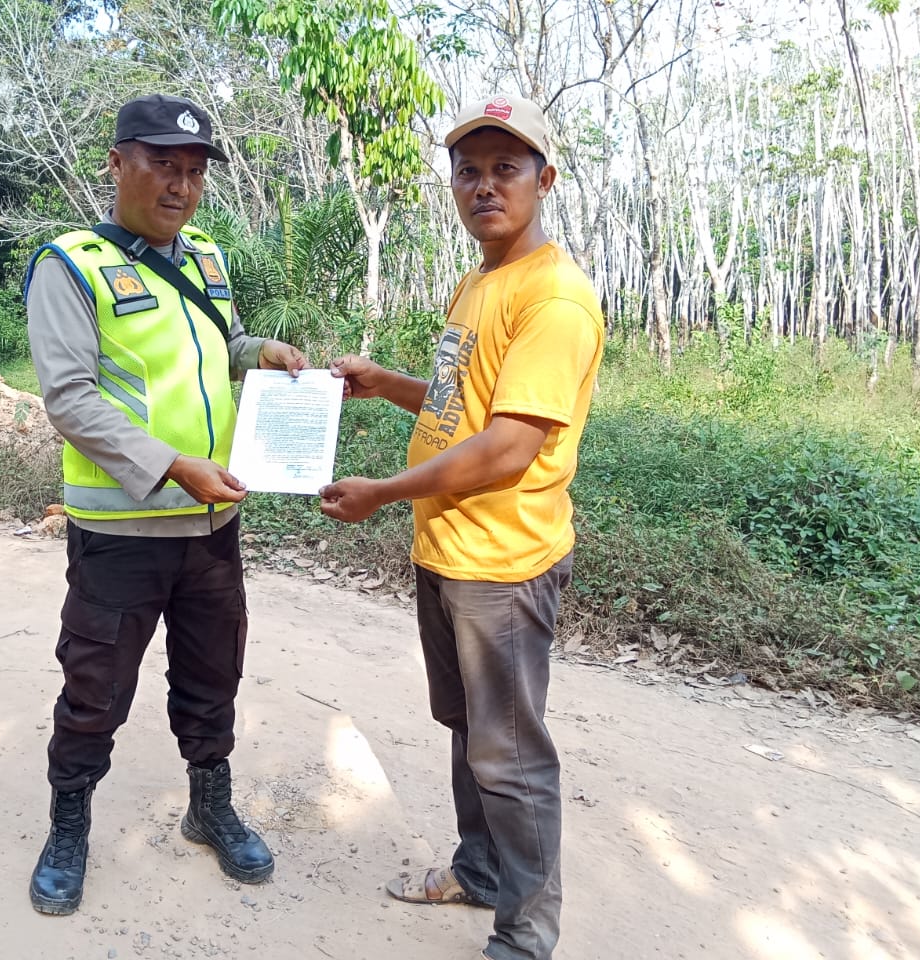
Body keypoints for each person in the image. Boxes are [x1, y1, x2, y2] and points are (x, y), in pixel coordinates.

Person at [319, 96, 604, 960]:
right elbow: (462, 406)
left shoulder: (554, 297)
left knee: (510, 758)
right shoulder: (481, 280)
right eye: (468, 171)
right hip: (447, 552)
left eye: (505, 169)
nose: (484, 186)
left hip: (501, 565)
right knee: (469, 729)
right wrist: (387, 384)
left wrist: (383, 492)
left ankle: (525, 938)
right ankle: (479, 873)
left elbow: (509, 446)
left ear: (544, 181)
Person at [23, 93, 306, 916]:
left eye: (193, 171)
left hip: (213, 525)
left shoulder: (207, 256)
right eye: (162, 165)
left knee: (213, 674)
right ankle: (68, 825)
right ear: (117, 165)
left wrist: (261, 352)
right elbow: (70, 397)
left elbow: (221, 343)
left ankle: (209, 807)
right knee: (95, 687)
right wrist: (173, 467)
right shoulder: (69, 266)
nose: (180, 185)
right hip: (122, 530)